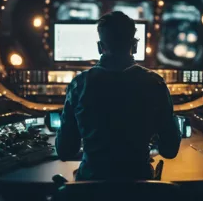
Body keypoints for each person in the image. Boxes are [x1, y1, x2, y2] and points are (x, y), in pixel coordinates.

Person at [56, 11, 181, 181]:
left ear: (100, 47)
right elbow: (170, 150)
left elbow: (65, 151)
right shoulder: (155, 84)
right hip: (139, 187)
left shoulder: (79, 84)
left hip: (90, 187)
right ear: (135, 46)